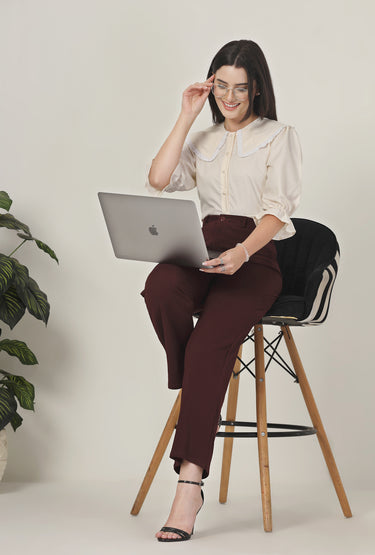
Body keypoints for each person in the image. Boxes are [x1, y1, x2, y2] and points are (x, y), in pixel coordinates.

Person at [141, 39, 302, 541]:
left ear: (257, 90)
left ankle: (190, 483)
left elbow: (278, 211)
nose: (230, 98)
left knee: (211, 346)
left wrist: (243, 253)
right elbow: (159, 179)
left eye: (241, 88)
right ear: (212, 86)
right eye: (222, 87)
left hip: (255, 256)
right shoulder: (205, 136)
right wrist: (187, 115)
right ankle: (192, 372)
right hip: (204, 244)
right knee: (160, 286)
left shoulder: (279, 136)